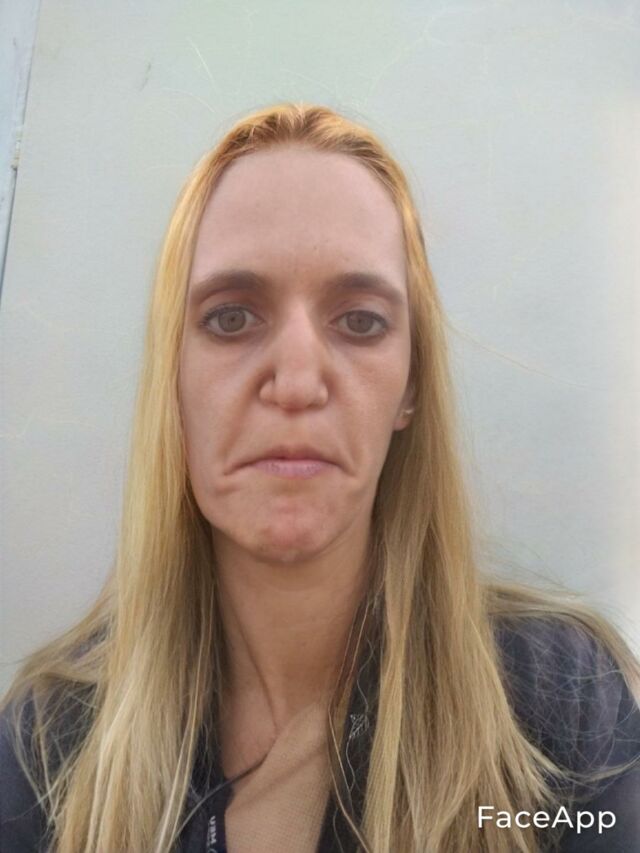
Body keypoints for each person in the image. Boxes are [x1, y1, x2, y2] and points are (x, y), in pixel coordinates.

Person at [1, 102, 639, 853]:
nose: (298, 382)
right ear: (171, 378)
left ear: (410, 385)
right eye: (231, 318)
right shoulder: (46, 749)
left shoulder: (560, 706)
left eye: (360, 320)